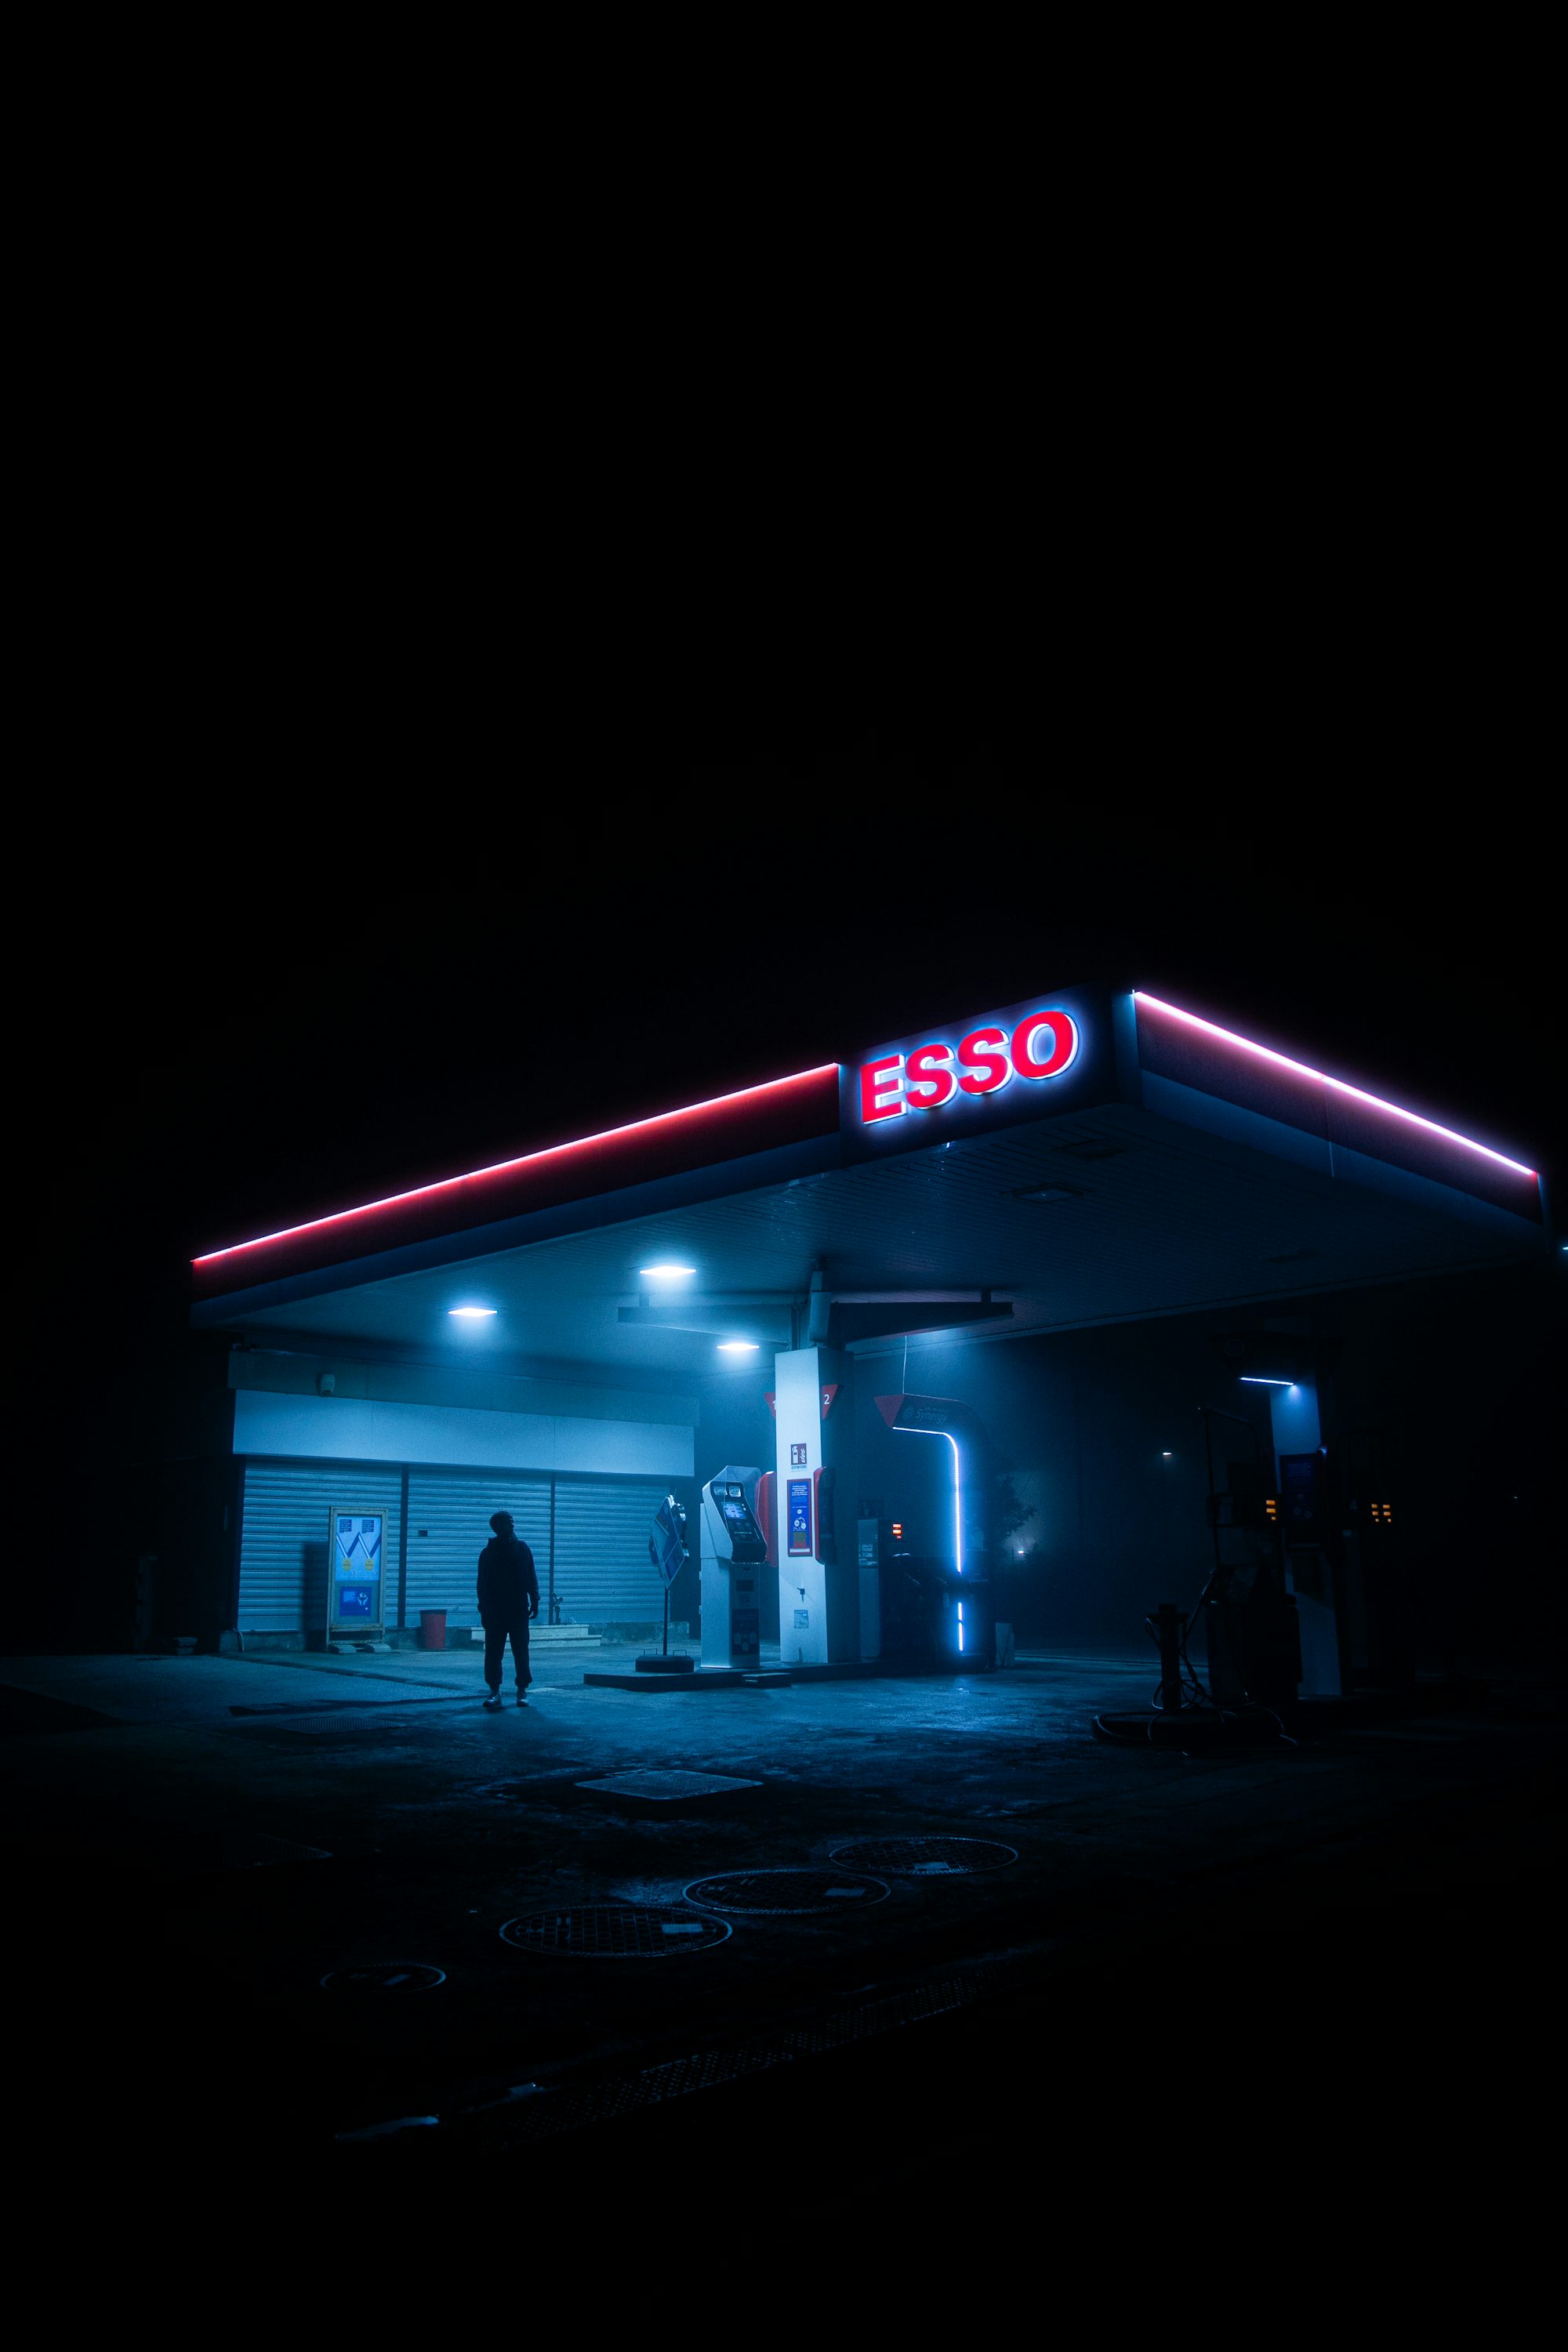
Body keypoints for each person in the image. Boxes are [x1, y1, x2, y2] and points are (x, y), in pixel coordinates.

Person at [477, 1509, 539, 1708]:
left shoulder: (522, 1548)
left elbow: (531, 1575)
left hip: (517, 1608)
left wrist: (535, 1599)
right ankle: (495, 1690)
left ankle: (522, 1689)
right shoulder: (488, 1553)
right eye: (508, 1522)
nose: (512, 1525)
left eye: (512, 1522)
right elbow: (482, 1585)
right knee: (494, 1652)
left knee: (521, 1650)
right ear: (497, 1526)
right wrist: (484, 1609)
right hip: (495, 1610)